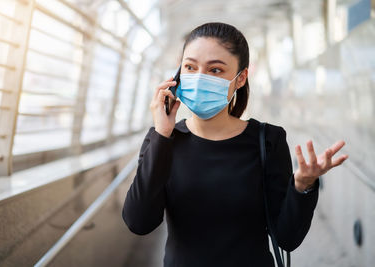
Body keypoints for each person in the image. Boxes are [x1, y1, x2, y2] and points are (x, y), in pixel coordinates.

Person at [122, 22, 349, 267]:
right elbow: (139, 222)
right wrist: (162, 135)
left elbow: (287, 238)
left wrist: (302, 186)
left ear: (240, 78)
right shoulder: (163, 141)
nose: (199, 78)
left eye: (215, 70)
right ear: (177, 76)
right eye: (190, 67)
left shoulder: (267, 140)